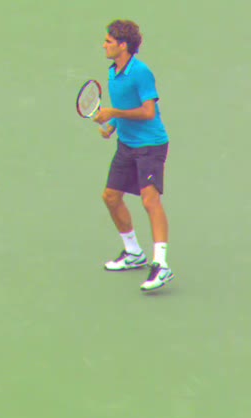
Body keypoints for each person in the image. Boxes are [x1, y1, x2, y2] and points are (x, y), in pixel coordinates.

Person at [93, 19, 174, 292]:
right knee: (111, 197)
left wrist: (113, 113)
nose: (103, 45)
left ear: (123, 45)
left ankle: (161, 264)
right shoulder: (114, 72)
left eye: (108, 41)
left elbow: (148, 112)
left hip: (150, 146)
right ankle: (133, 253)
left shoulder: (141, 72)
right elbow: (125, 105)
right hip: (127, 145)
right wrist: (113, 125)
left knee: (150, 201)